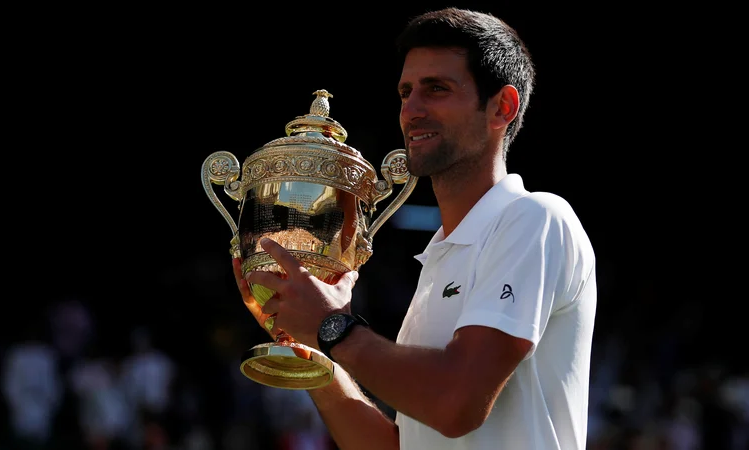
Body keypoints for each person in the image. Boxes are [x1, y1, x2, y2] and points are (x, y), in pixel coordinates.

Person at [231, 7, 597, 450]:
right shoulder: (441, 256)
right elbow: (396, 446)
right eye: (405, 92)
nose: (412, 110)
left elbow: (456, 404)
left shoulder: (536, 219)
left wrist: (332, 327)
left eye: (436, 89)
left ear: (502, 106)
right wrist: (307, 344)